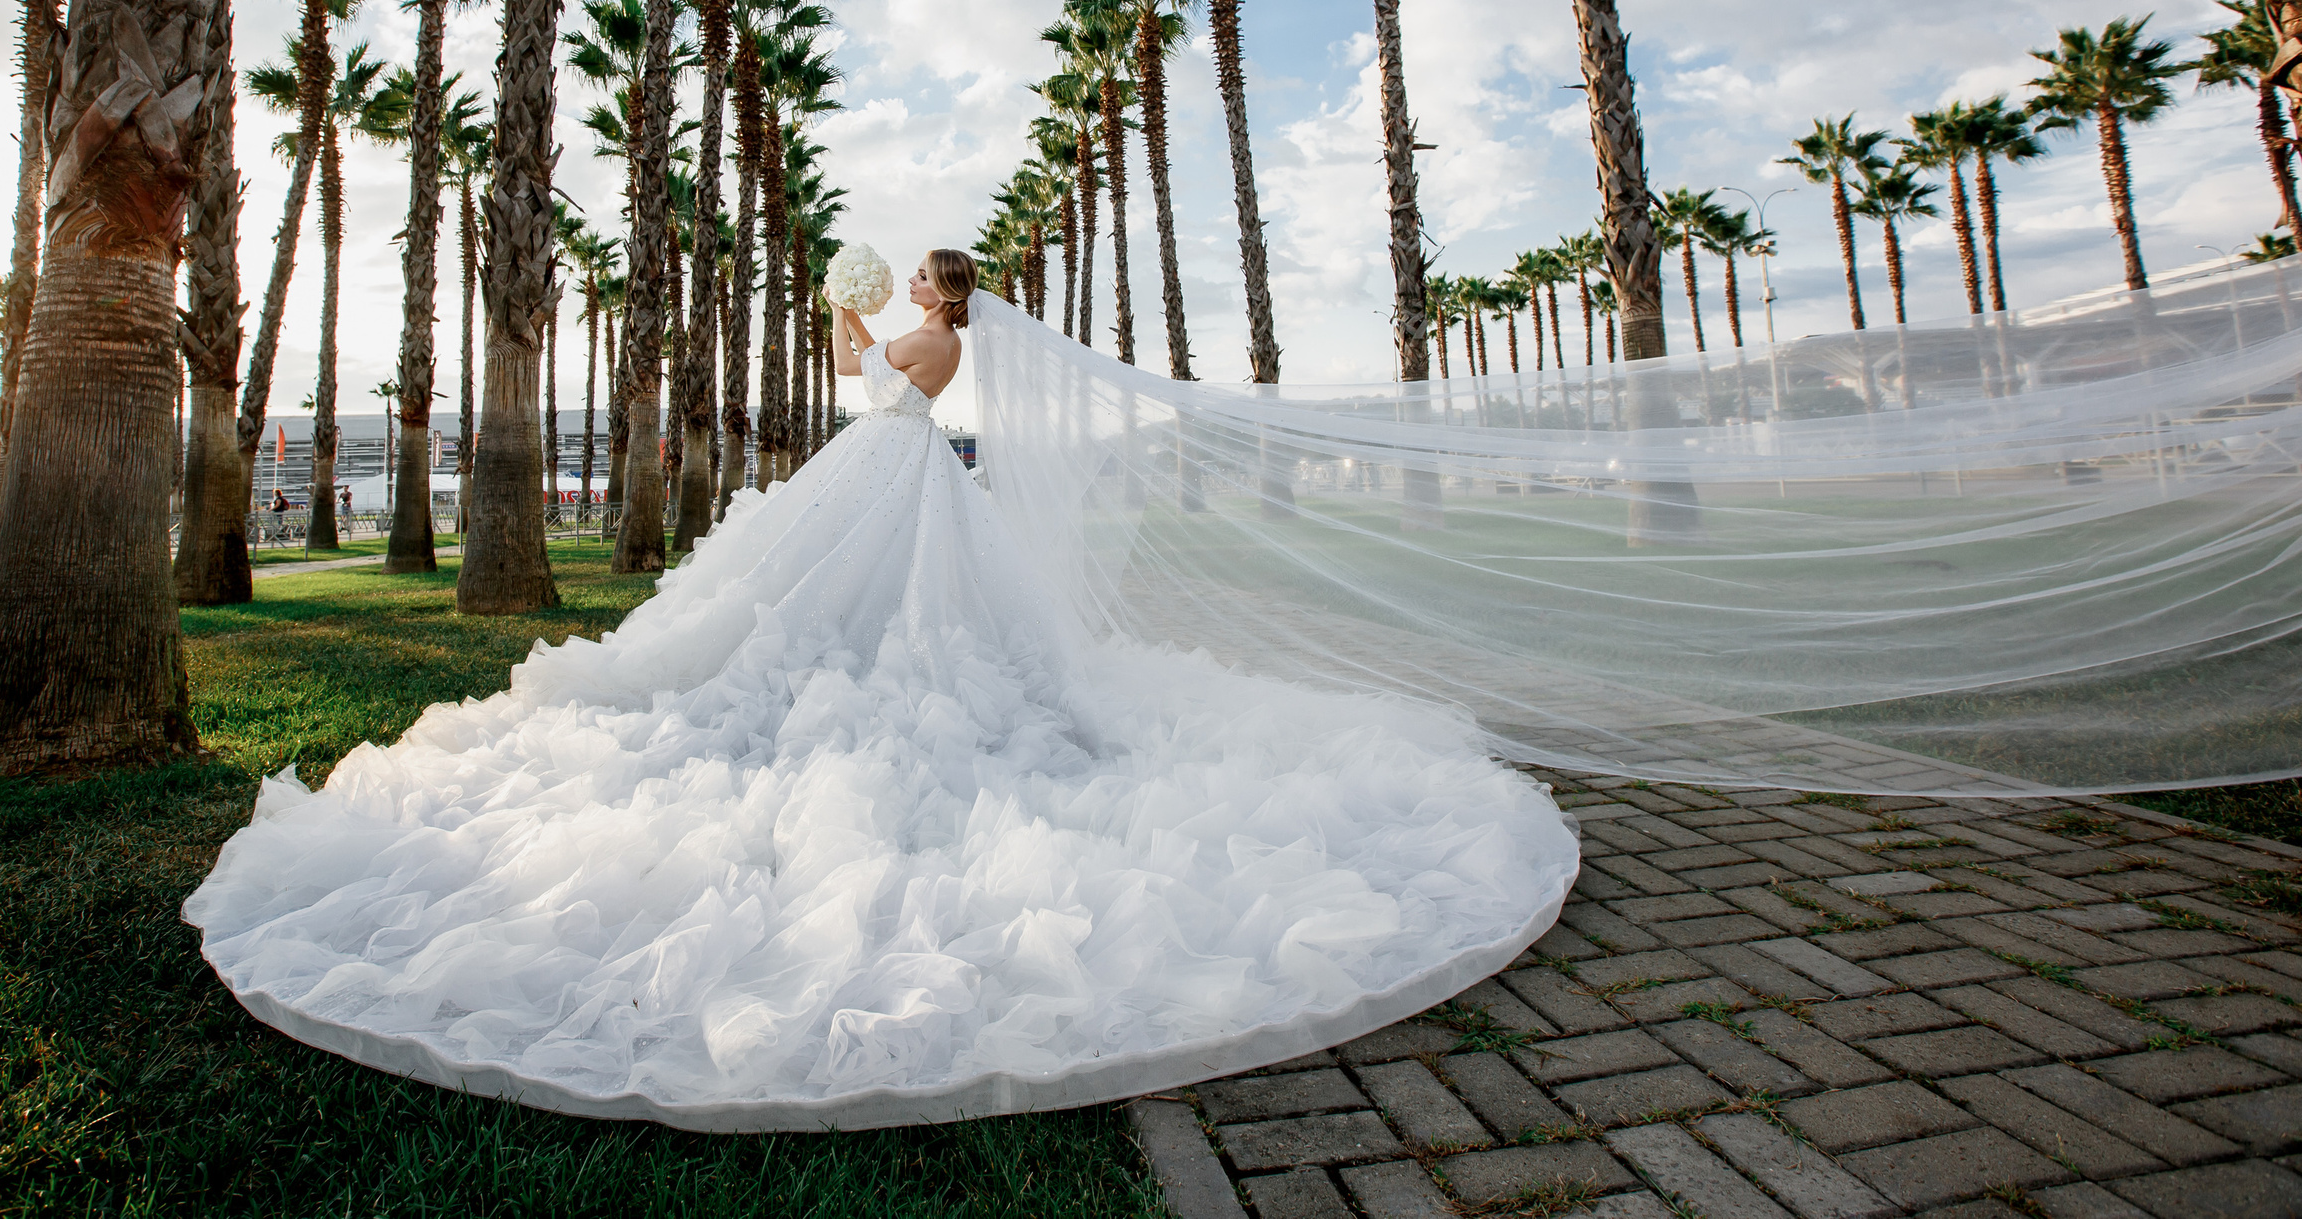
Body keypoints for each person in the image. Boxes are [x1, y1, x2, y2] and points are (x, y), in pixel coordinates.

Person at [185, 247, 1576, 1129]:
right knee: (833, 614)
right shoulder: (938, 339)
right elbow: (870, 372)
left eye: (919, 279)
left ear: (941, 294)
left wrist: (848, 316)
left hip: (898, 477)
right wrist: (852, 311)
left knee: (883, 628)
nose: (911, 292)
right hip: (893, 481)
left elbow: (872, 378)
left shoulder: (934, 346)